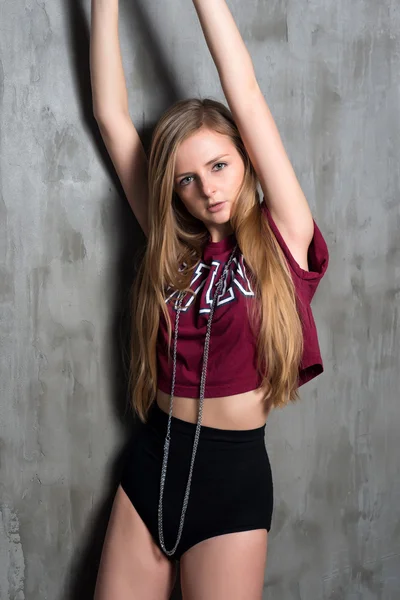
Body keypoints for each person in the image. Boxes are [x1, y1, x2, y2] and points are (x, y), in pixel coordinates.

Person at [90, 0, 329, 598]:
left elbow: (242, 89)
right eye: (187, 179)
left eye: (220, 165)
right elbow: (112, 117)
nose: (207, 188)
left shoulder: (284, 238)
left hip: (231, 478)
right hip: (153, 462)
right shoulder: (171, 249)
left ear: (246, 159)